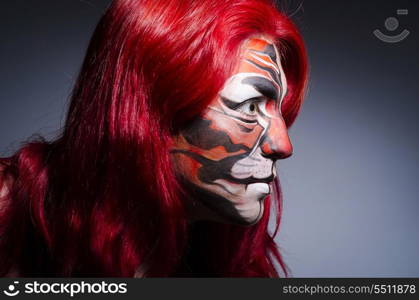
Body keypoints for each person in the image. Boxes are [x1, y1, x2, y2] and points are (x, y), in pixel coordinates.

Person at [0, 0, 307, 277]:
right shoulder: (9, 211)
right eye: (250, 107)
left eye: (278, 110)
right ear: (154, 104)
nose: (283, 145)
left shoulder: (226, 254)